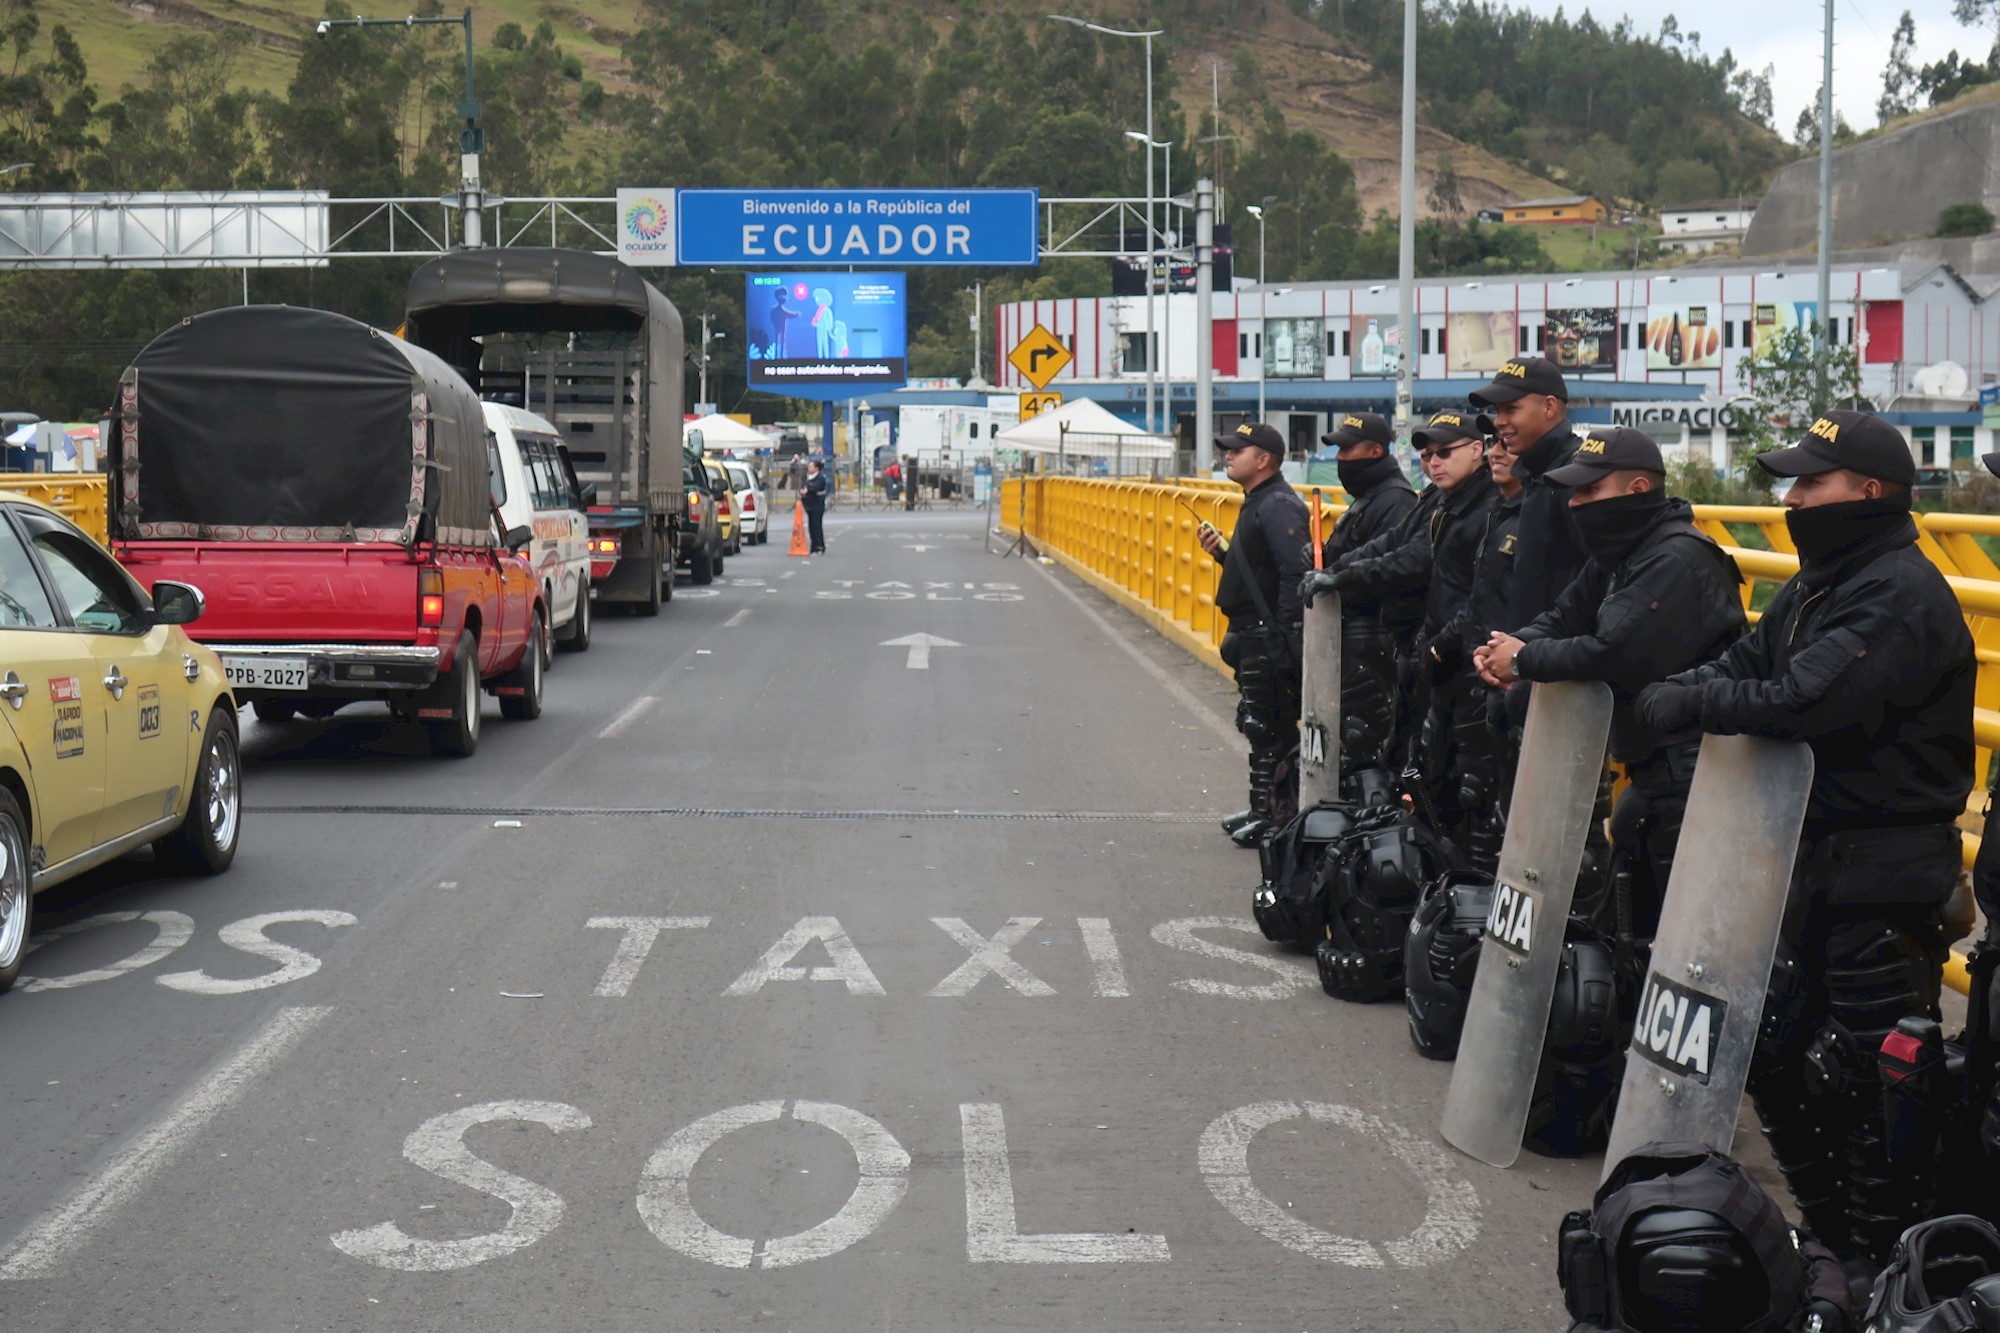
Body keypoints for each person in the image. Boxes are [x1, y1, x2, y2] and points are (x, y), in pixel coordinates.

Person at [1637, 410, 1976, 1270]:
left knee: (1870, 1093)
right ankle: (1825, 1248)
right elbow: (1750, 663)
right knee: (1781, 1062)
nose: (1791, 499)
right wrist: (1686, 687)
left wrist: (1693, 704)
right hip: (1805, 867)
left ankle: (1880, 1266)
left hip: (1881, 882)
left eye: (1809, 483)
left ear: (1869, 491)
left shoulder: (1897, 591)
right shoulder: (1820, 582)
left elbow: (1801, 699)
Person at [1475, 426, 1745, 936]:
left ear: (1637, 490)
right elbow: (1564, 617)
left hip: (1697, 773)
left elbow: (1612, 652)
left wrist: (1525, 659)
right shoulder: (1622, 555)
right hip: (1651, 767)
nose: (1576, 504)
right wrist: (1504, 649)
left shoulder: (1677, 557)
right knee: (1631, 926)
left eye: (1590, 491)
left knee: (1682, 931)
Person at [1307, 410, 1496, 830]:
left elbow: (1416, 561)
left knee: (1465, 787)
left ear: (1477, 450)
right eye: (1429, 455)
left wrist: (1343, 574)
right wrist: (1337, 568)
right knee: (1422, 769)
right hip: (1427, 652)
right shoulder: (1437, 498)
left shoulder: (1486, 506)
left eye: (1445, 452)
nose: (1434, 463)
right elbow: (1393, 543)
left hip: (1462, 658)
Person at [1203, 422, 1311, 848]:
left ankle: (1274, 818)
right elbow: (1261, 574)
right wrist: (1222, 555)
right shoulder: (1257, 501)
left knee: (1272, 729)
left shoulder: (1278, 504)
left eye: (1237, 450)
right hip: (1253, 634)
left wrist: (1281, 636)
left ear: (1263, 460)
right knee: (1258, 724)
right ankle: (1260, 809)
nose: (1228, 455)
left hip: (1267, 638)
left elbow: (1293, 574)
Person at [1428, 429, 1525, 871]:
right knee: (1463, 790)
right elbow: (1476, 599)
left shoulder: (1526, 513)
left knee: (1489, 800)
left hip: (1510, 676)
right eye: (1493, 444)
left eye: (1443, 452)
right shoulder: (1488, 511)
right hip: (1471, 669)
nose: (1496, 452)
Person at [1308, 411, 1420, 767]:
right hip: (1348, 636)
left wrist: (1339, 574)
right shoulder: (1370, 498)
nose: (1339, 459)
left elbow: (1389, 567)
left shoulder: (1395, 500)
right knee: (1343, 740)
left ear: (1374, 451)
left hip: (1372, 638)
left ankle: (1366, 817)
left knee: (1363, 741)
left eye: (1346, 450)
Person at [801, 458, 830, 554]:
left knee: (817, 526)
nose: (809, 468)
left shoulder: (820, 478)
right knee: (811, 527)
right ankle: (813, 546)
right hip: (809, 504)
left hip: (817, 505)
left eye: (811, 466)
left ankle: (820, 546)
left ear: (816, 468)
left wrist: (808, 490)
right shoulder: (809, 478)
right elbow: (804, 486)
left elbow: (816, 488)